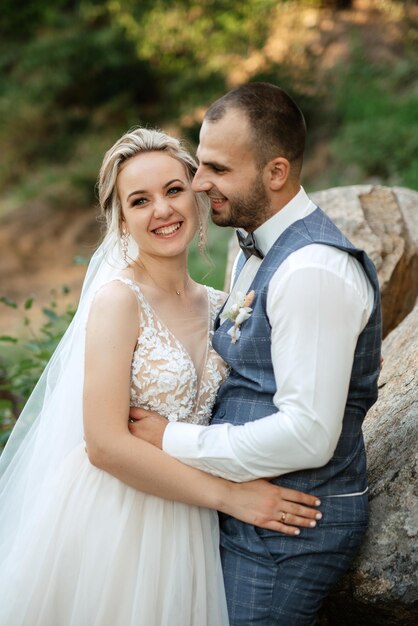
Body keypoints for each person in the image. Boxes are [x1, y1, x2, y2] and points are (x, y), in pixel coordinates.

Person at [0, 127, 322, 626]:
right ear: (123, 221)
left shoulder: (226, 306)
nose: (163, 211)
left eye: (173, 190)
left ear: (195, 194)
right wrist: (233, 497)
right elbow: (104, 445)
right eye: (140, 201)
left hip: (190, 521)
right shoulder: (118, 301)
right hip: (115, 516)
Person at [128, 83, 383, 625]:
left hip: (287, 527)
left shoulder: (312, 270)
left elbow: (309, 435)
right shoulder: (254, 246)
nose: (199, 184)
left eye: (217, 170)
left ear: (275, 172)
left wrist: (171, 438)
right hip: (245, 511)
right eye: (200, 166)